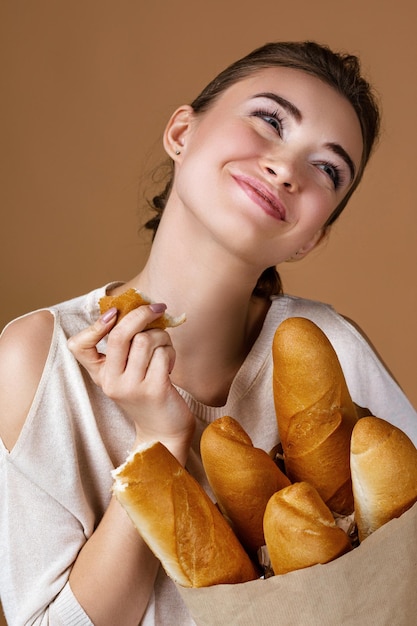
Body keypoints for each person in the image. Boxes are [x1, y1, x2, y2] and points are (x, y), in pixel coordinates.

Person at [0, 40, 416, 626]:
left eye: (327, 168)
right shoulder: (37, 360)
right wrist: (159, 443)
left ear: (310, 239)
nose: (286, 168)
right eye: (269, 120)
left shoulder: (334, 347)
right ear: (181, 133)